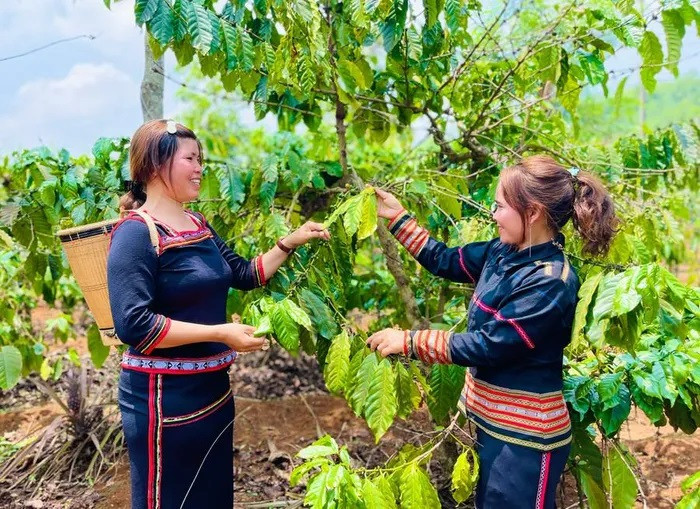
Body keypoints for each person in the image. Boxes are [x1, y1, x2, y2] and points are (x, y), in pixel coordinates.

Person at [367, 155, 618, 508]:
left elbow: (491, 345)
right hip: (496, 424)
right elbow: (446, 260)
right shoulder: (504, 252)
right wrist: (397, 217)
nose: (493, 214)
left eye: (500, 207)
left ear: (532, 213)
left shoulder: (550, 282)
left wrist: (409, 341)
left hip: (527, 438)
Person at [107, 119, 330, 509]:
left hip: (213, 391)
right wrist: (222, 332)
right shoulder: (135, 233)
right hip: (163, 399)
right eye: (190, 158)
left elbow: (243, 274)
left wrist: (289, 242)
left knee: (210, 496)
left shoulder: (197, 223)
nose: (200, 168)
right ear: (156, 166)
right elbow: (134, 324)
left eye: (201, 158)